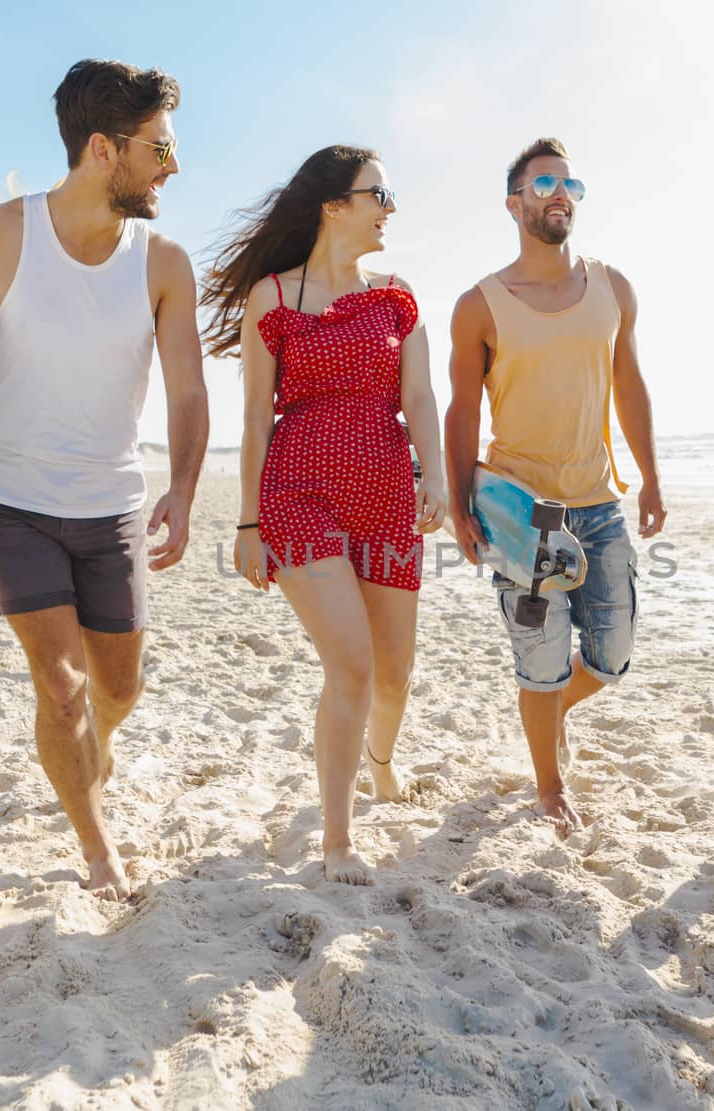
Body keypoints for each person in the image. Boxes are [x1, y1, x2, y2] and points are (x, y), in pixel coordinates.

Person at [0, 59, 209, 899]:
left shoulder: (165, 262)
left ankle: (83, 750)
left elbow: (187, 388)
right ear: (103, 149)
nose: (172, 166)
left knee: (118, 686)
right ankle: (99, 848)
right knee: (61, 685)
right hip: (7, 498)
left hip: (111, 505)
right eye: (160, 149)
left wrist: (182, 486)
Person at [200, 146, 446, 885]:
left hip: (385, 494)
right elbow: (253, 418)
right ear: (334, 203)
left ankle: (381, 762)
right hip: (298, 493)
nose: (390, 208)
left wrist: (433, 473)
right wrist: (247, 524)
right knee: (352, 664)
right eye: (380, 193)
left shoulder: (397, 296)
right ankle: (337, 842)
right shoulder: (272, 298)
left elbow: (421, 397)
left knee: (394, 676)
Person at [445, 138, 665, 837]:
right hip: (521, 515)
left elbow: (629, 384)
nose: (560, 192)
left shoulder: (612, 288)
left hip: (599, 507)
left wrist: (652, 474)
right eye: (544, 182)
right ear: (515, 202)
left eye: (570, 183)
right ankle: (548, 782)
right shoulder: (480, 303)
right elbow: (461, 408)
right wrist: (458, 501)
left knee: (613, 652)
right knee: (539, 660)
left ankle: (553, 716)